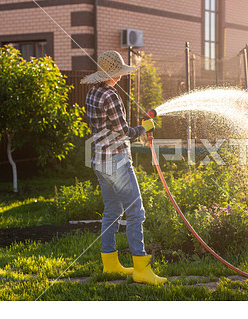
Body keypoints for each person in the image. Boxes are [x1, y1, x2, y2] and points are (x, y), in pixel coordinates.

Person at [81, 50, 166, 285]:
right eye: (119, 73)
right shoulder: (111, 96)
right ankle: (141, 267)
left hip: (99, 160)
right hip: (117, 160)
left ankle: (110, 265)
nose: (121, 77)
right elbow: (124, 132)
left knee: (112, 211)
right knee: (136, 212)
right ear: (115, 74)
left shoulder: (92, 94)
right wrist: (144, 127)